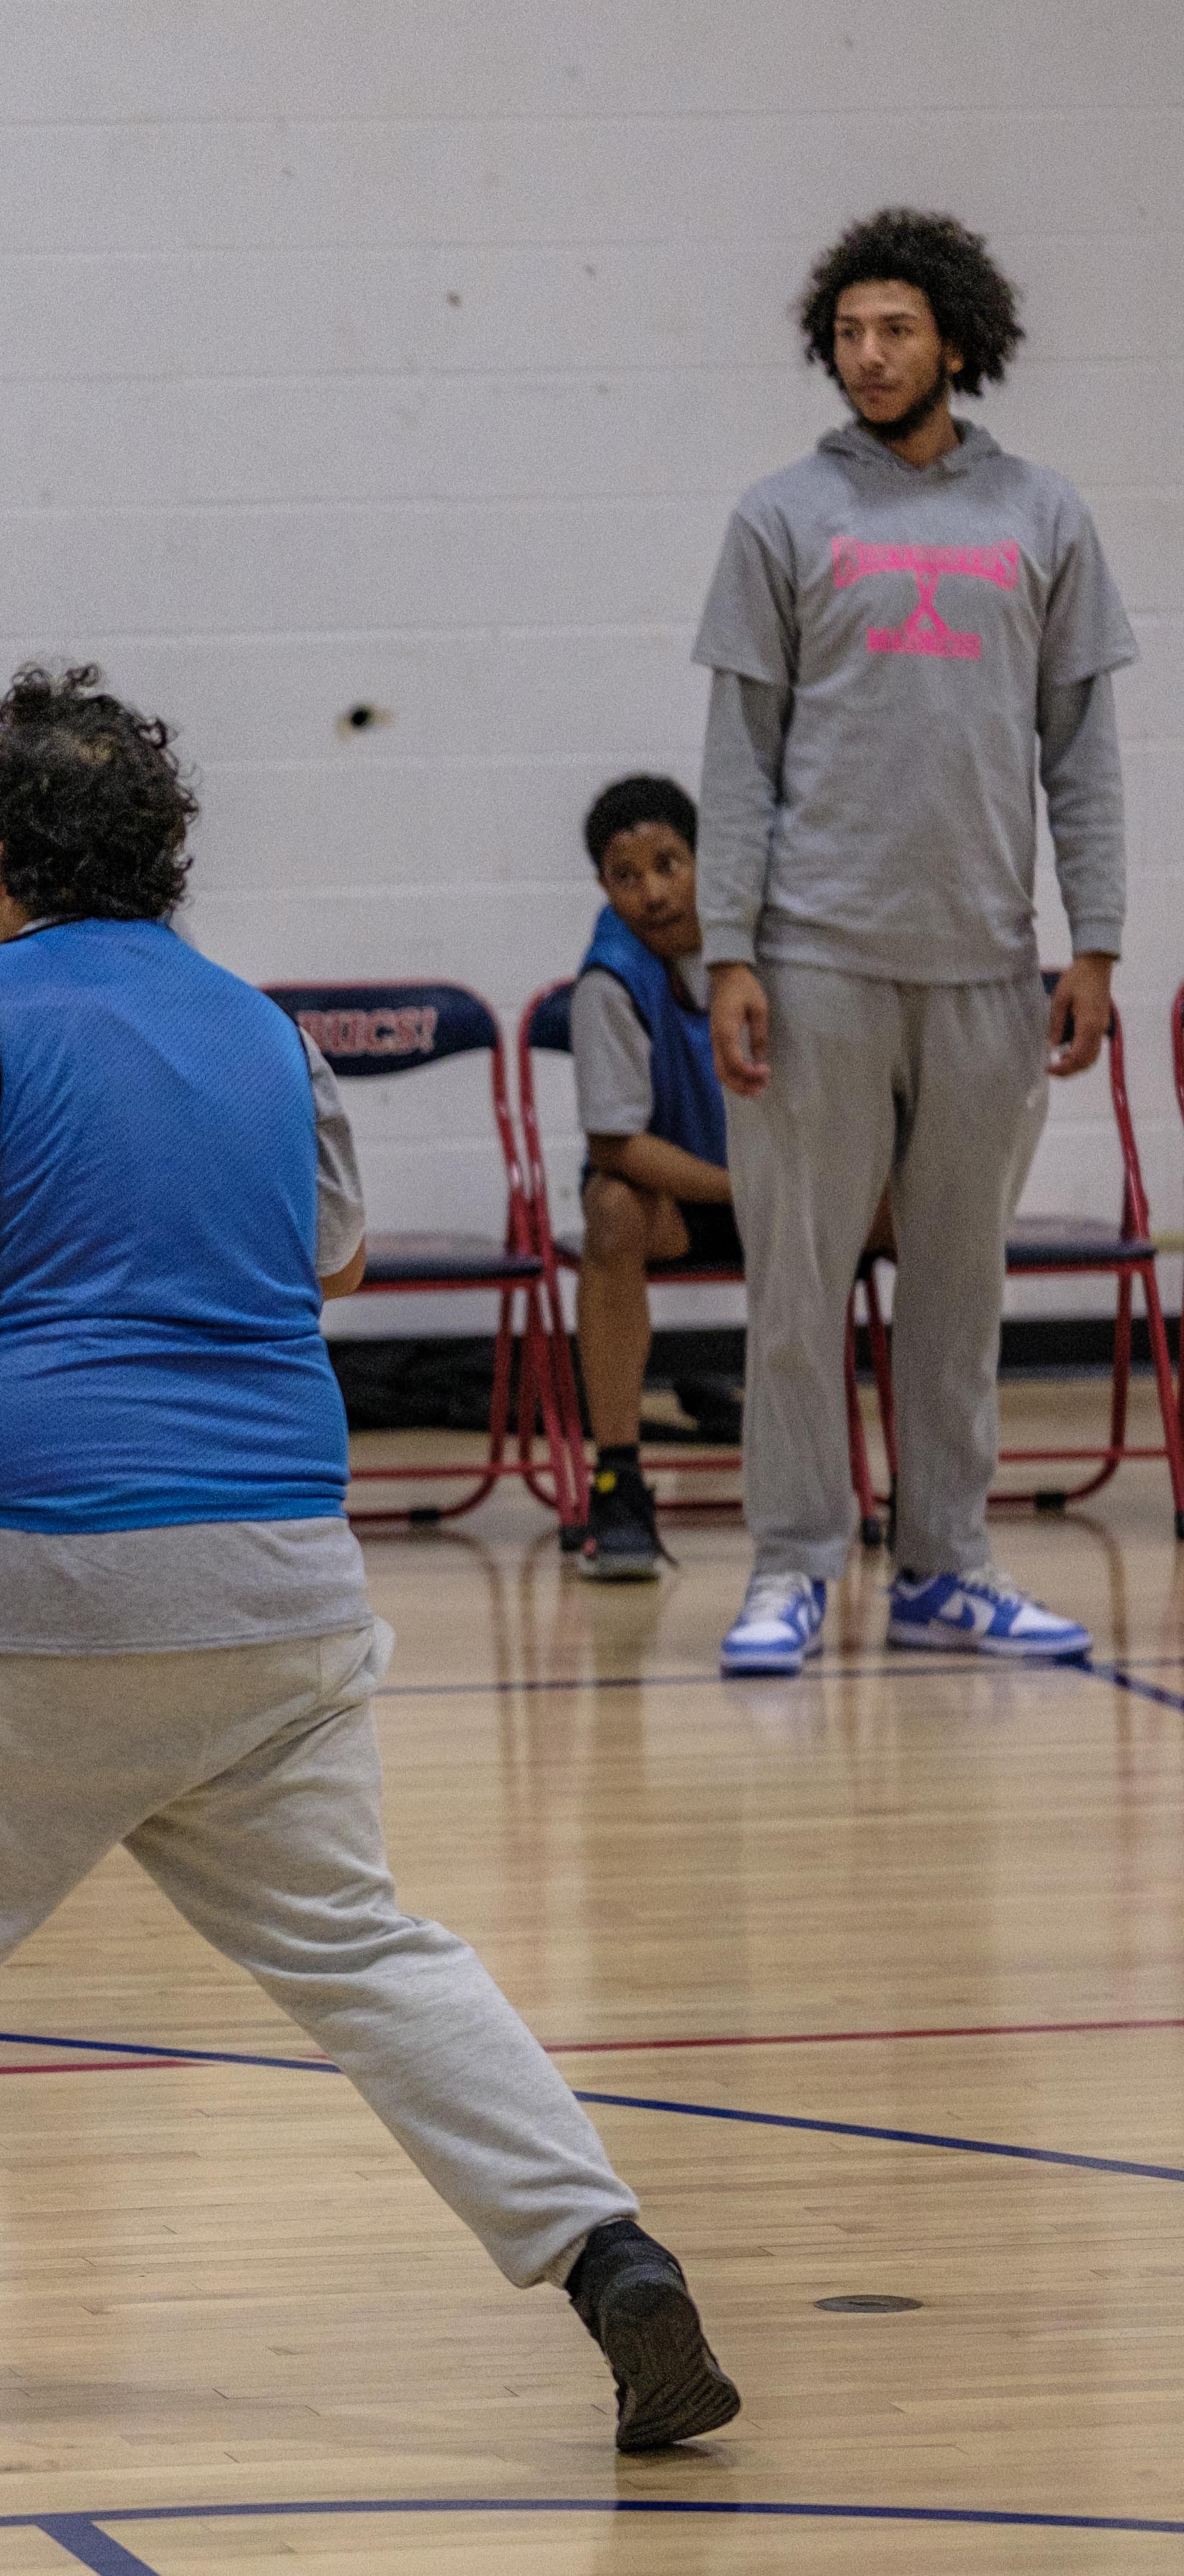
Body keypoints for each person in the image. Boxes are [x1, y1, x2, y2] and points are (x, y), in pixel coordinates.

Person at [0, 667, 737, 2466]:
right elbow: (334, 1259)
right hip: (276, 1585)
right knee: (365, 1947)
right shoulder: (261, 1031)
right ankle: (605, 2247)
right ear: (159, 853)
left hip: (28, 1583)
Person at [699, 208, 1133, 1676]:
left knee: (960, 1289)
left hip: (988, 963)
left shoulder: (1043, 513)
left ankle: (949, 1563)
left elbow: (1081, 753)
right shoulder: (779, 515)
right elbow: (739, 755)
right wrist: (728, 950)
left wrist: (1098, 941)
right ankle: (790, 1564)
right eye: (845, 333)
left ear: (954, 335)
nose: (867, 356)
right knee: (795, 1287)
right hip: (814, 954)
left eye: (893, 330)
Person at [569, 773, 731, 1579]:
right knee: (610, 1211)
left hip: (782, 1183)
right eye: (625, 877)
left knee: (912, 1206)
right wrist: (744, 1191)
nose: (652, 892)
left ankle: (920, 1483)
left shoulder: (766, 946)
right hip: (680, 1193)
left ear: (705, 861)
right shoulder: (608, 978)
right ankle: (617, 1480)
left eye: (669, 864)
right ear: (602, 887)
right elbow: (615, 1145)